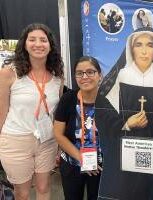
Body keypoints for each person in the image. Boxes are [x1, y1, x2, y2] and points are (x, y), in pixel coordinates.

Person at [95, 27, 153, 200]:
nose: (144, 51)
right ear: (131, 48)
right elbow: (103, 114)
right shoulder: (119, 77)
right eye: (139, 45)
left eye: (149, 45)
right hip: (123, 156)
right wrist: (127, 124)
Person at [0, 23, 64, 200]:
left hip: (47, 141)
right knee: (22, 192)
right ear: (24, 44)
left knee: (44, 187)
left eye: (43, 40)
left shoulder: (58, 77)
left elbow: (55, 114)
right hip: (16, 141)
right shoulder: (9, 74)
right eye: (32, 39)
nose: (38, 44)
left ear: (50, 46)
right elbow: (1, 112)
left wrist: (59, 145)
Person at [53, 56, 103, 200]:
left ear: (100, 75)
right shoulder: (68, 99)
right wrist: (80, 157)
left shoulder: (108, 100)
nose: (85, 76)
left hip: (100, 166)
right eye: (79, 73)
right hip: (72, 162)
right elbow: (58, 134)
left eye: (90, 72)